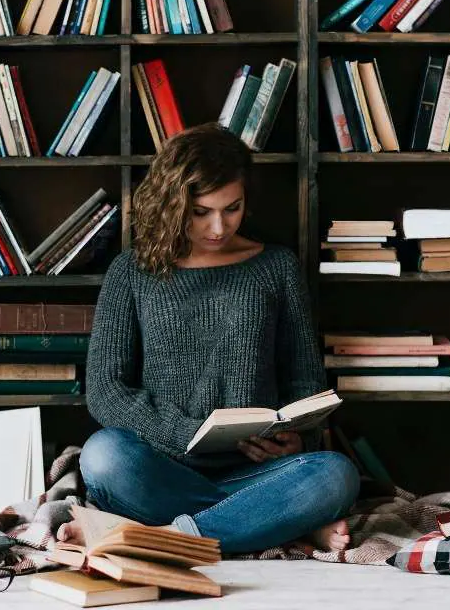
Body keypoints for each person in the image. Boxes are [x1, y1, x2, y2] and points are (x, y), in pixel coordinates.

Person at [59, 122, 359, 554]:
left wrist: (299, 439)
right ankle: (274, 523)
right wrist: (185, 432)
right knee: (102, 455)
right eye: (201, 212)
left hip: (255, 472)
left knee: (335, 475)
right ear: (173, 204)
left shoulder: (276, 267)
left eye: (232, 208)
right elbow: (107, 392)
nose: (218, 227)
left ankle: (168, 539)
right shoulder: (132, 272)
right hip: (161, 467)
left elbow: (303, 379)